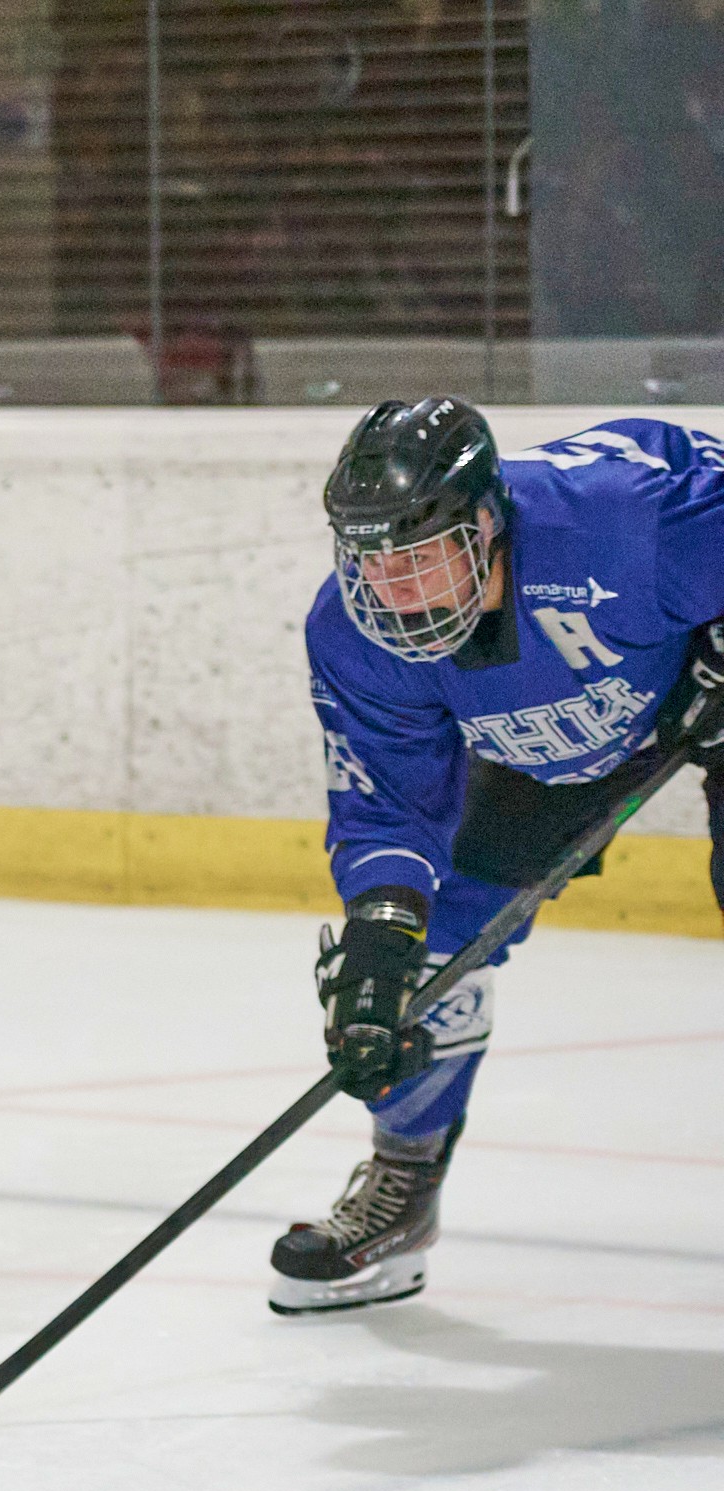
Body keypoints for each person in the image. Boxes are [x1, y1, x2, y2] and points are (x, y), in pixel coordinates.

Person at [289, 399, 724, 1313]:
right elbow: (391, 807)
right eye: (370, 561)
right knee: (428, 954)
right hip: (555, 734)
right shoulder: (350, 634)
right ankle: (404, 1187)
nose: (390, 590)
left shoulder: (630, 523)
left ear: (488, 524)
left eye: (416, 560)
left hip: (693, 671)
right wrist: (378, 940)